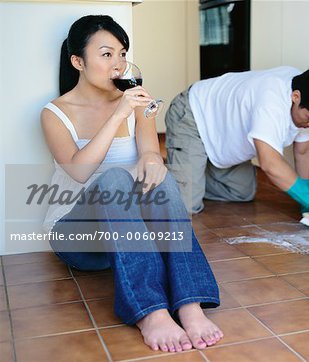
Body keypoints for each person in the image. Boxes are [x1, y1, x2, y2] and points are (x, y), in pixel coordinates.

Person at [40, 15, 223, 353]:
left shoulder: (137, 102)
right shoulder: (55, 112)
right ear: (78, 61)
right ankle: (149, 311)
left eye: (123, 54)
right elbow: (79, 173)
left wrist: (152, 161)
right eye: (107, 54)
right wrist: (118, 114)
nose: (119, 64)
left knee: (162, 179)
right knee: (114, 177)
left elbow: (151, 151)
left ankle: (189, 303)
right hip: (77, 237)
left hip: (128, 239)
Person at [165, 66, 309, 227]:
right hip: (193, 116)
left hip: (220, 134)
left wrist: (306, 197)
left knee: (242, 192)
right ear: (295, 97)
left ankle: (189, 173)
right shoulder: (271, 103)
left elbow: (304, 150)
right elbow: (270, 163)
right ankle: (167, 178)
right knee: (185, 207)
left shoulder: (306, 94)